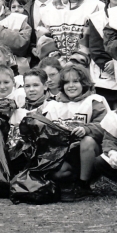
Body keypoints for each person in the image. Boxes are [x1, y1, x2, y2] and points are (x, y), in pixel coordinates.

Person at [42, 64, 110, 201]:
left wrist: (87, 129)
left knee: (87, 141)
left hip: (91, 153)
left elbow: (106, 126)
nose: (71, 86)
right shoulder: (53, 104)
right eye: (66, 82)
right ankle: (66, 186)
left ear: (84, 83)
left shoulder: (94, 101)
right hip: (65, 153)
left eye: (75, 81)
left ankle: (83, 185)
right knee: (60, 173)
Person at [39, 0, 104, 64]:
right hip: (55, 68)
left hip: (84, 68)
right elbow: (43, 38)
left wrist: (74, 62)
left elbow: (91, 40)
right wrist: (57, 62)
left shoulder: (95, 7)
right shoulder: (49, 9)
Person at [28, 0, 57, 67]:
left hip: (57, 57)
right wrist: (31, 48)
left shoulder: (61, 5)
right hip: (35, 60)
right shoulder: (28, 8)